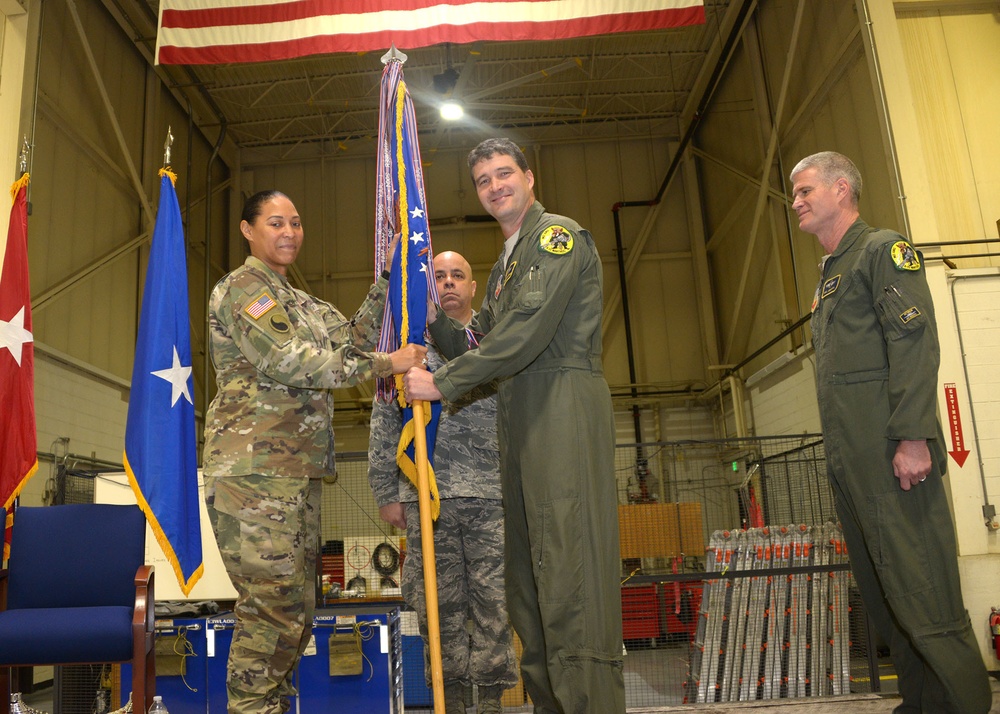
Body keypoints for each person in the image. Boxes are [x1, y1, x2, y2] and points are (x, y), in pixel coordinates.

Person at [404, 139, 625, 713]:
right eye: (483, 180)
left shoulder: (557, 238)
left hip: (561, 407)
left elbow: (523, 335)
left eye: (505, 174)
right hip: (522, 417)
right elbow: (483, 342)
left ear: (530, 176)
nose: (495, 186)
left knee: (570, 582)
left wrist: (443, 383)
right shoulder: (508, 260)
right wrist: (431, 321)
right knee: (529, 592)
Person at [202, 189, 426, 714]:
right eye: (276, 222)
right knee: (270, 609)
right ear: (248, 230)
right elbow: (288, 360)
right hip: (254, 473)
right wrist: (385, 365)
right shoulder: (244, 289)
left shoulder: (298, 301)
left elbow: (348, 339)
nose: (289, 232)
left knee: (298, 611)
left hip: (293, 474)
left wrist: (389, 279)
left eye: (296, 222)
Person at [791, 151, 991, 714]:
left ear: (842, 189)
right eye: (794, 194)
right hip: (853, 464)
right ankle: (924, 703)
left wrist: (911, 437)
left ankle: (964, 704)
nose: (797, 202)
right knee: (884, 598)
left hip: (893, 460)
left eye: (806, 190)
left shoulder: (882, 251)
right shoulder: (832, 274)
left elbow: (913, 344)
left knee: (924, 593)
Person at [368, 250, 517, 714]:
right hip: (426, 498)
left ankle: (490, 700)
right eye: (439, 277)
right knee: (438, 607)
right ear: (429, 289)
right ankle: (447, 698)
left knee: (495, 604)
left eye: (459, 275)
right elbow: (384, 422)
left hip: (491, 496)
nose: (449, 283)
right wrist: (386, 492)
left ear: (474, 288)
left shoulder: (495, 343)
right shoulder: (409, 348)